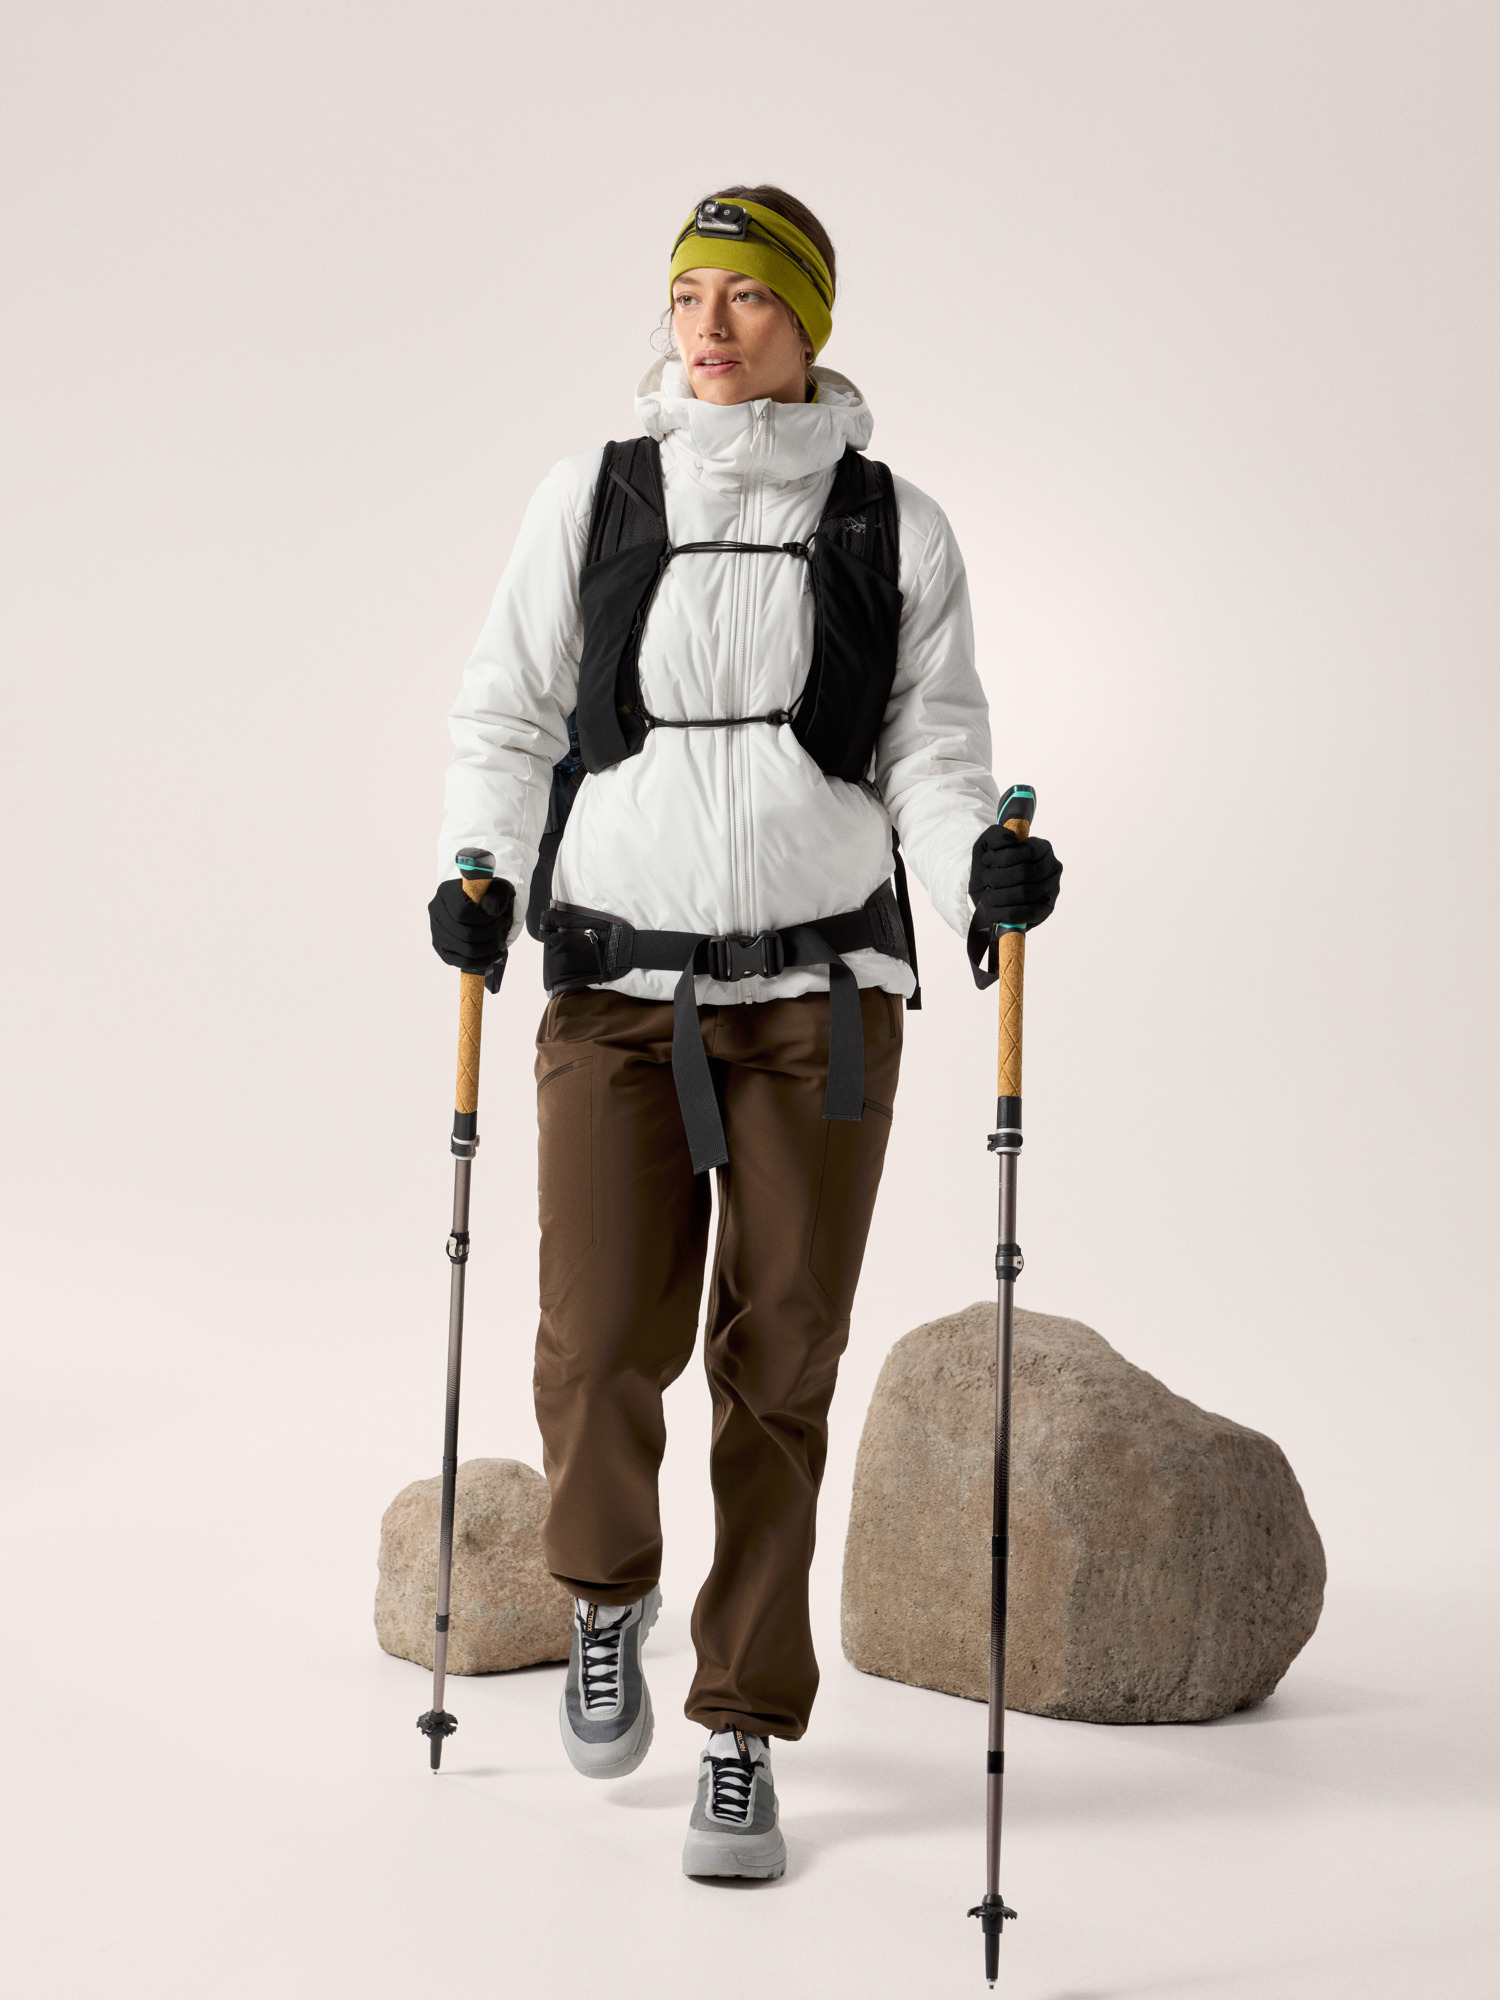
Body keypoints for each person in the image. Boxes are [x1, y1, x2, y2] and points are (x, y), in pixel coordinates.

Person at [429, 186, 1061, 1881]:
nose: (711, 328)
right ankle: (604, 1595)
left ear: (811, 323)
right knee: (594, 1345)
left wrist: (980, 873)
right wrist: (477, 868)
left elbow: (931, 750)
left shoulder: (893, 525)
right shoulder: (595, 497)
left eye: (751, 298)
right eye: (691, 293)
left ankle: (741, 1728)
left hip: (819, 1004)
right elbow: (507, 714)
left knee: (781, 1364)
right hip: (615, 990)